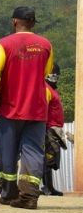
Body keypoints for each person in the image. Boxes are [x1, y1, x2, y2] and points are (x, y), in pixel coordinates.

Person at [0, 6, 53, 210]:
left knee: (7, 152)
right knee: (33, 151)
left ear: (14, 22)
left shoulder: (4, 44)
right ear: (33, 24)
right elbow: (47, 71)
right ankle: (29, 196)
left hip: (10, 108)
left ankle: (9, 193)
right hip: (37, 108)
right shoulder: (46, 44)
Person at [42, 63, 66, 196]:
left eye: (57, 72)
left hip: (54, 128)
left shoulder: (52, 89)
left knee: (51, 158)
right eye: (53, 72)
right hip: (48, 128)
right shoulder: (45, 88)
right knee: (48, 158)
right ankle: (47, 187)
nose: (55, 74)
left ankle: (49, 186)